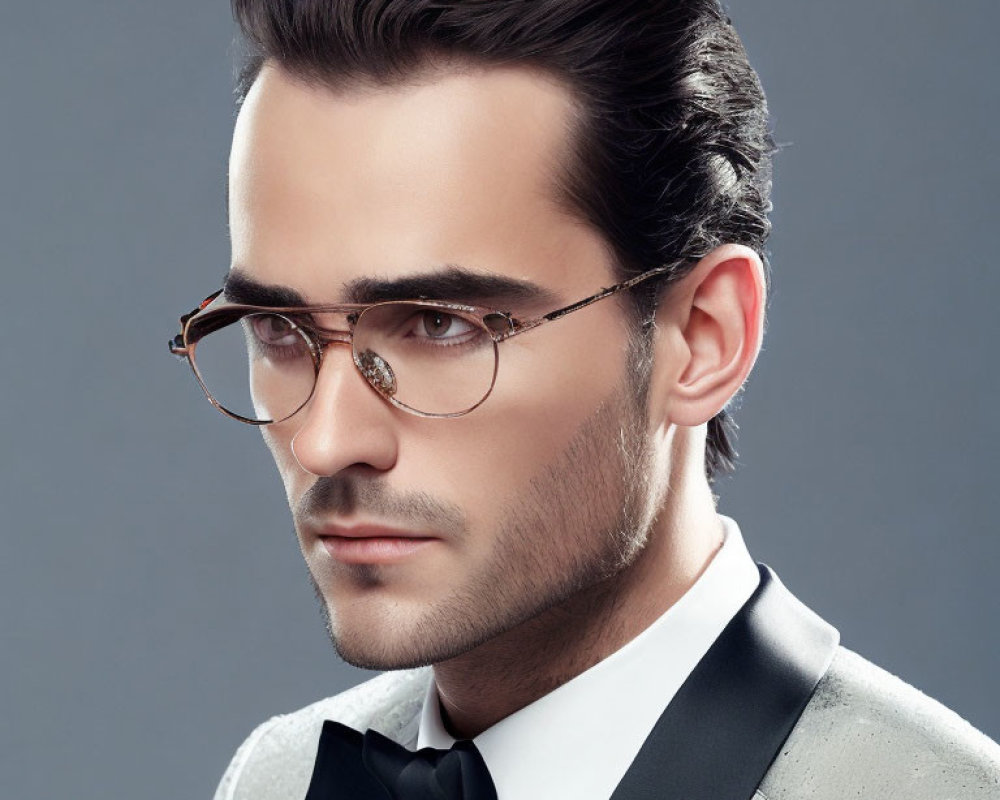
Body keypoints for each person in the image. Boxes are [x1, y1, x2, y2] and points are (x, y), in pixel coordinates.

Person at [169, 1, 1000, 798]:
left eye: (438, 324)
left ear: (703, 338)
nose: (325, 440)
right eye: (278, 327)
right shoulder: (278, 780)